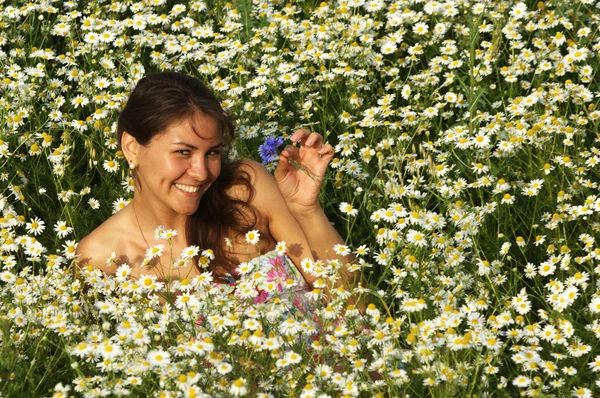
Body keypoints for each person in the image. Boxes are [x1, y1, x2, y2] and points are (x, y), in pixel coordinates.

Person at [76, 71, 359, 306]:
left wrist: (305, 209)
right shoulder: (101, 258)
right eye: (183, 152)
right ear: (132, 148)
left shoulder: (247, 190)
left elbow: (351, 306)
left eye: (212, 153)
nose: (202, 173)